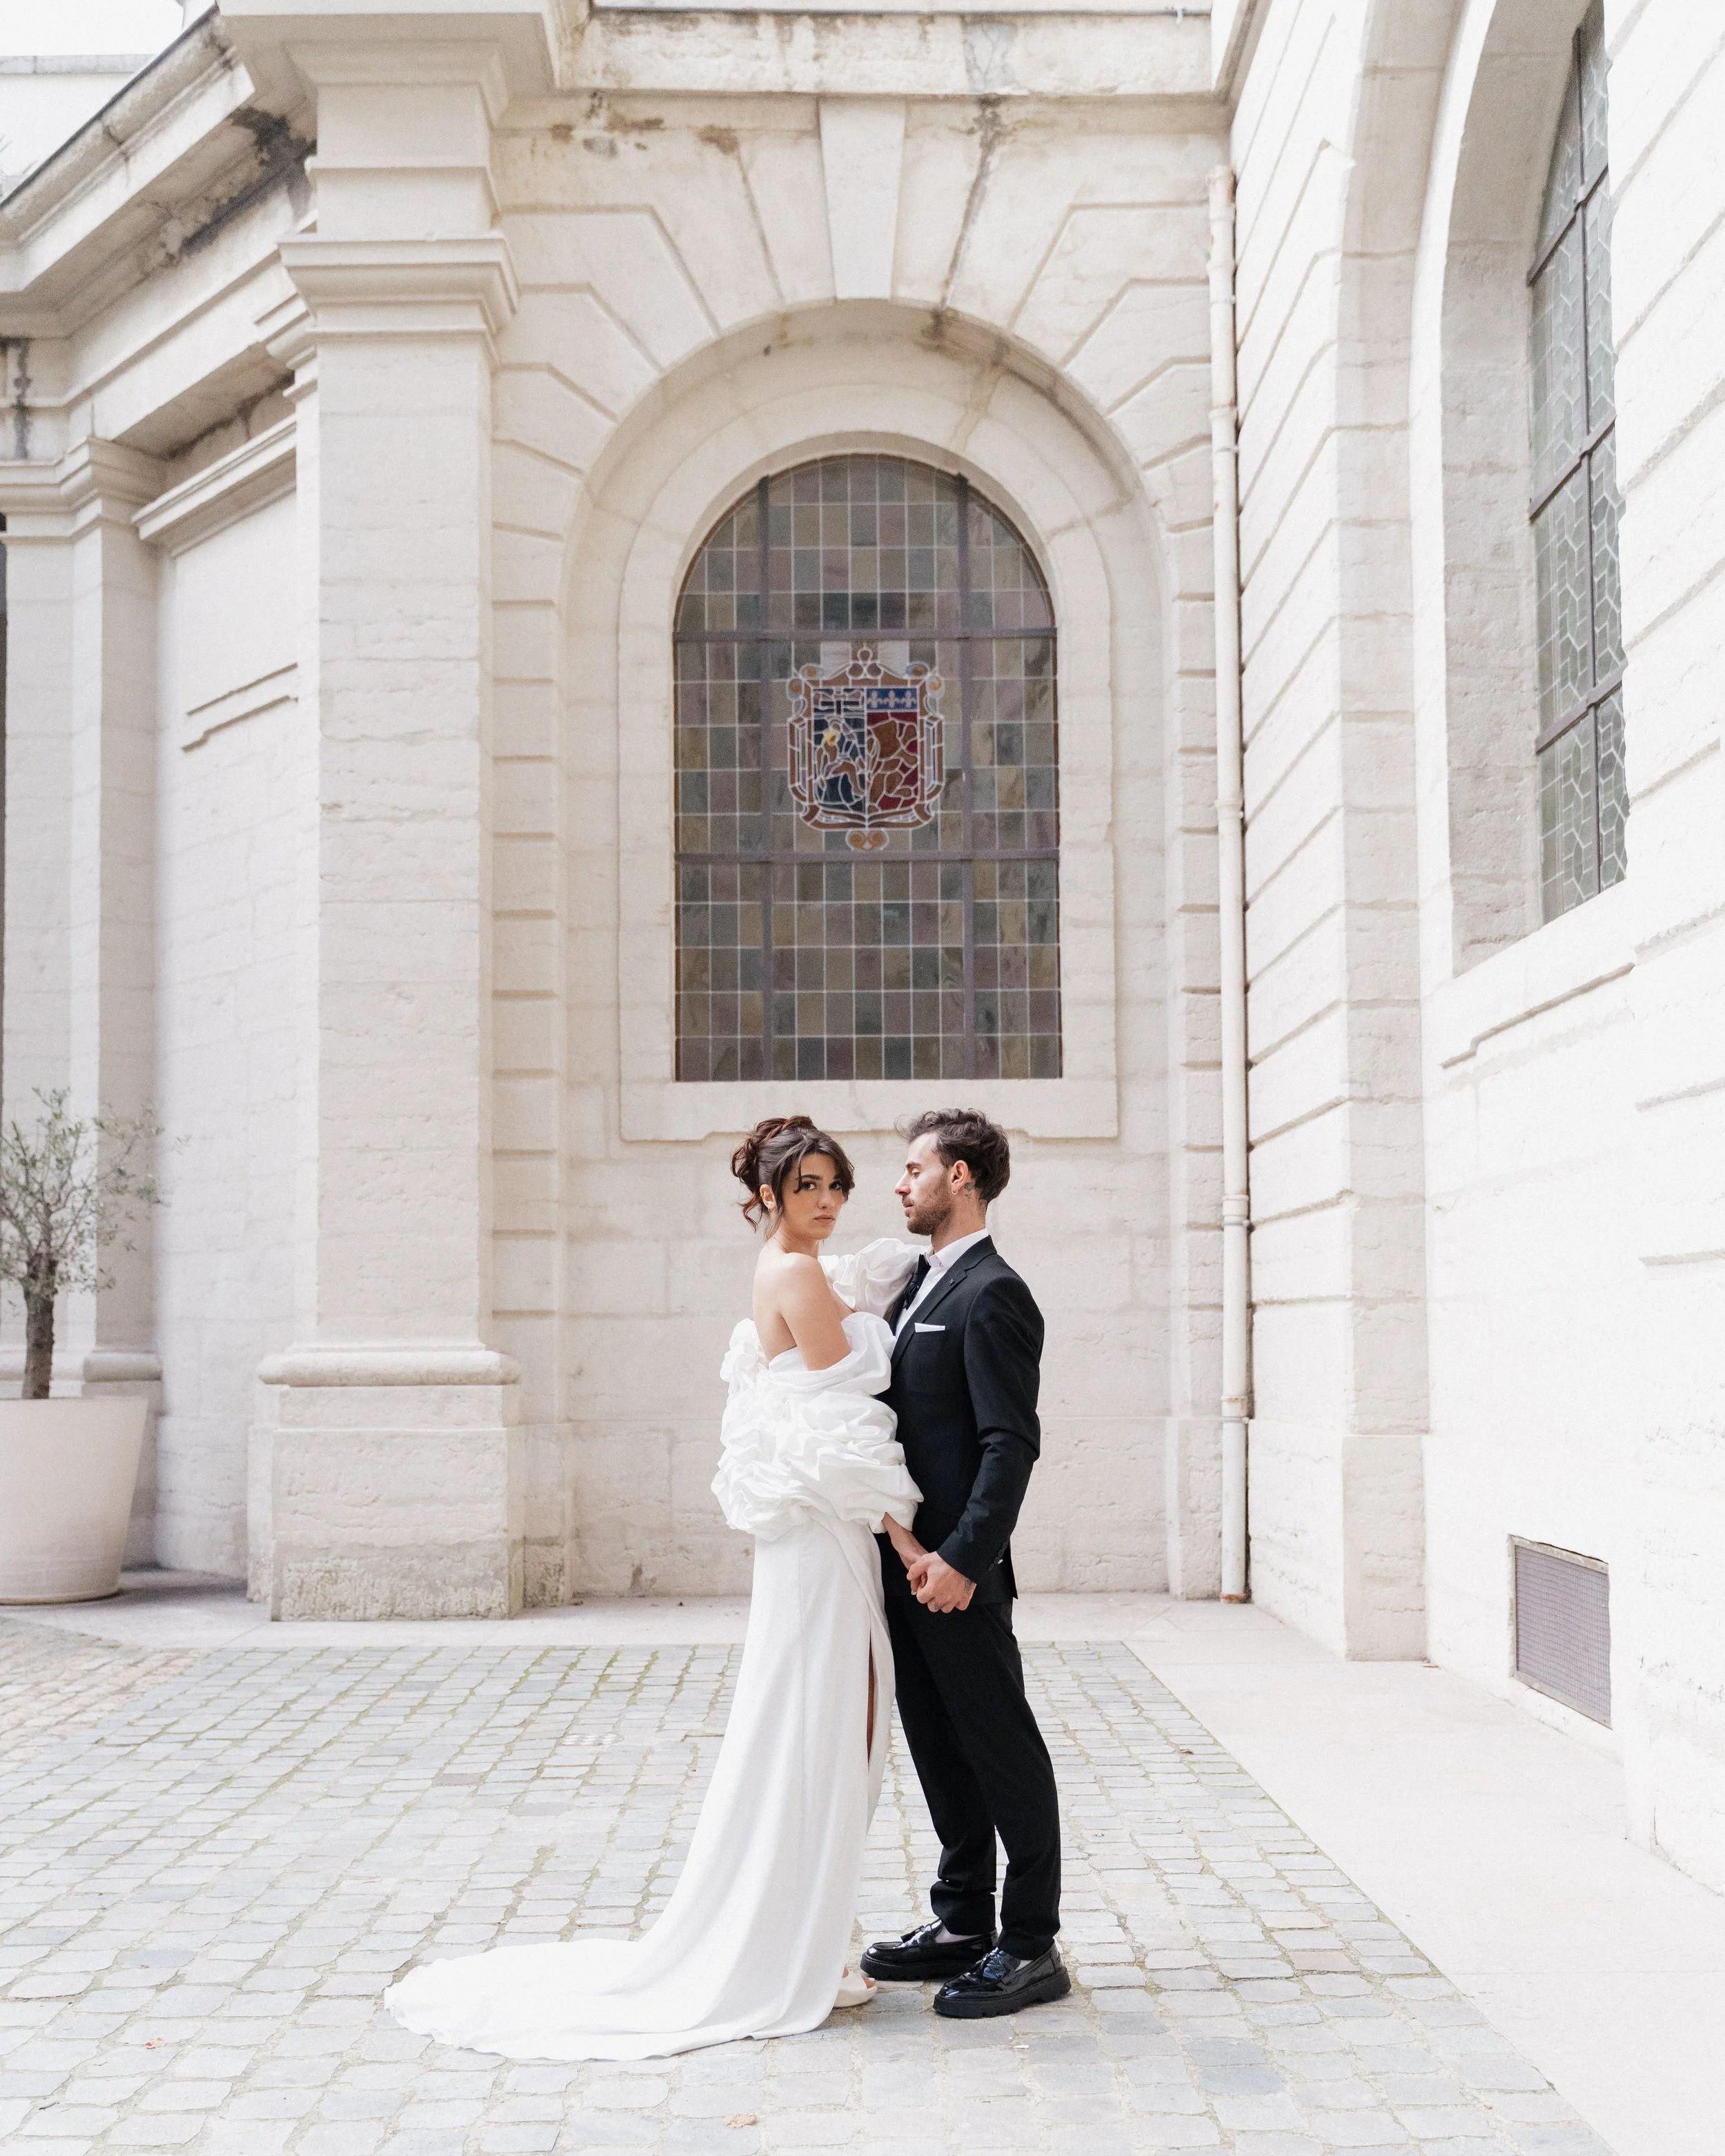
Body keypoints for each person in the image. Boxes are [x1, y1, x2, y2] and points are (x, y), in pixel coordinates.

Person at [385, 1116, 925, 2060]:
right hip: (822, 1533)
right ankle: (801, 1944)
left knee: (823, 1722)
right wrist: (884, 1331)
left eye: (837, 1183)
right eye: (808, 1187)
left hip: (814, 1527)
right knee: (828, 1723)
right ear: (766, 1197)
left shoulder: (786, 1270)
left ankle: (814, 1932)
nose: (829, 1202)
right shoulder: (798, 1273)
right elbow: (851, 1392)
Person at [854, 1109, 1067, 2019]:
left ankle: (1029, 1944)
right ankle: (963, 1921)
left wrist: (965, 1558)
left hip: (957, 1577)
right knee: (939, 1750)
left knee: (1002, 1752)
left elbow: (1008, 1443)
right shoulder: (915, 1287)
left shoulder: (994, 1293)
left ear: (963, 1179)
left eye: (915, 1169)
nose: (900, 1184)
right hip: (904, 1573)